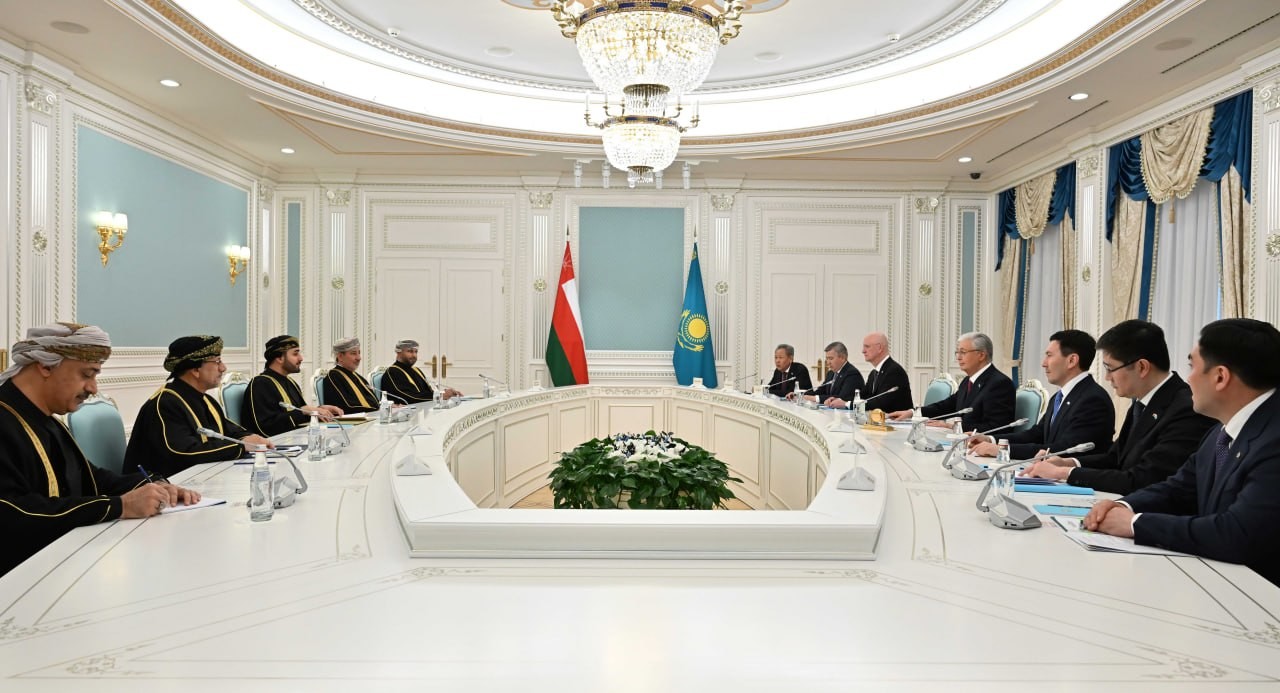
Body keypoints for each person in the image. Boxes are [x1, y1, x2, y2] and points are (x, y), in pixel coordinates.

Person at [1084, 318, 1280, 586]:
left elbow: (1238, 534)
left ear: (1220, 377)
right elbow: (1179, 488)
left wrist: (1134, 524)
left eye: (1192, 367)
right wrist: (1124, 505)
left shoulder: (1273, 438)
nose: (1187, 379)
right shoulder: (1221, 431)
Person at [0, 322, 201, 576]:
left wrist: (149, 485)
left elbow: (88, 477)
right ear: (45, 366)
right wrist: (120, 506)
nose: (93, 388)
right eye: (87, 374)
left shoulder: (47, 420)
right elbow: (13, 514)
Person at [1022, 320, 1214, 493]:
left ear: (1141, 367)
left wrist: (1064, 473)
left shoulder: (1185, 409)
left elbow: (1143, 478)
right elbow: (1115, 458)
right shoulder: (1142, 403)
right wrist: (1068, 462)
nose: (1107, 377)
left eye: (1110, 368)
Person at [124, 335, 273, 478]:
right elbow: (184, 452)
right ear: (195, 369)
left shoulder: (206, 400)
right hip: (166, 486)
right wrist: (241, 446)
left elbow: (229, 430)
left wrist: (249, 437)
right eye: (217, 361)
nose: (223, 368)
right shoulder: (165, 404)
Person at [968, 330, 1113, 459]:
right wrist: (990, 439)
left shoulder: (1092, 400)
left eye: (1049, 356)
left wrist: (1003, 450)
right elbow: (1037, 434)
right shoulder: (1059, 396)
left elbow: (1065, 450)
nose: (1044, 363)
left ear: (1071, 361)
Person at [890, 332, 1015, 432]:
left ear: (981, 355)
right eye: (957, 352)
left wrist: (953, 427)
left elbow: (997, 427)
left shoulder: (999, 384)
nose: (958, 357)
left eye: (963, 352)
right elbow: (947, 406)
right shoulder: (968, 380)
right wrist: (913, 412)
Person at [243, 335, 341, 437]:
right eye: (295, 354)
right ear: (279, 358)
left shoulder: (291, 382)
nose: (301, 358)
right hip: (275, 444)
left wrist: (319, 410)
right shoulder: (261, 384)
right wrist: (306, 411)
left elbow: (300, 414)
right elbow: (266, 427)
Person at [827, 332, 913, 412]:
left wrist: (846, 404)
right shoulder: (873, 373)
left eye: (867, 347)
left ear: (879, 348)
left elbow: (880, 403)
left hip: (897, 422)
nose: (863, 351)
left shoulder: (894, 371)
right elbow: (863, 396)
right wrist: (840, 400)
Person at [382, 339, 461, 404]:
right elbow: (408, 397)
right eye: (410, 351)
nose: (414, 355)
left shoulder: (416, 370)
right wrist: (440, 396)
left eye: (416, 352)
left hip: (422, 409)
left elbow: (427, 392)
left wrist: (445, 393)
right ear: (398, 352)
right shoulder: (393, 372)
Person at [790, 341, 864, 405]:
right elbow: (820, 391)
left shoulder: (852, 374)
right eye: (827, 359)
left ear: (842, 358)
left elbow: (842, 398)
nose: (828, 362)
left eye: (831, 358)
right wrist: (799, 395)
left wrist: (814, 398)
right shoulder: (831, 373)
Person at [322, 337, 378, 413]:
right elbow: (347, 407)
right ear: (340, 356)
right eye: (353, 353)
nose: (359, 358)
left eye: (359, 353)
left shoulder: (356, 376)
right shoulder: (333, 376)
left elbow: (374, 401)